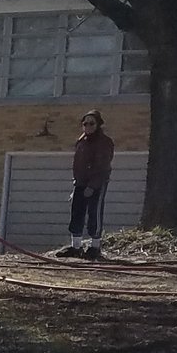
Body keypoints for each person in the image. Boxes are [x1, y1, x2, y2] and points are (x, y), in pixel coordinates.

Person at [55, 111, 114, 259]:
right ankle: (76, 246)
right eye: (85, 123)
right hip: (80, 183)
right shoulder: (81, 141)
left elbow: (102, 167)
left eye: (91, 123)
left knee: (94, 213)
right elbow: (77, 164)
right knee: (77, 213)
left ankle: (95, 247)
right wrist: (77, 183)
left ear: (98, 124)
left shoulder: (104, 142)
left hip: (96, 184)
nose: (87, 126)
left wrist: (92, 186)